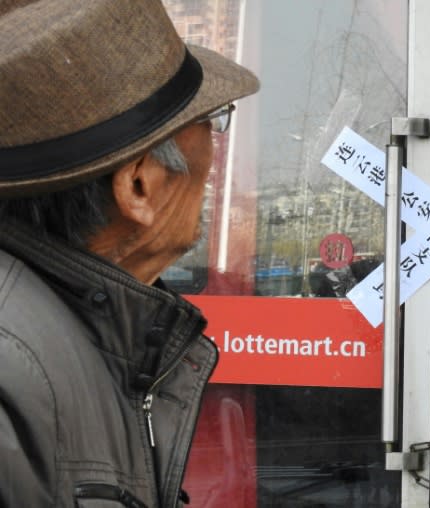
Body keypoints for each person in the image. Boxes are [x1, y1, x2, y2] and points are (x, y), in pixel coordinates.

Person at [0, 0, 259, 506]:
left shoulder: (83, 331)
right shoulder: (15, 371)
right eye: (209, 119)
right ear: (138, 184)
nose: (215, 150)